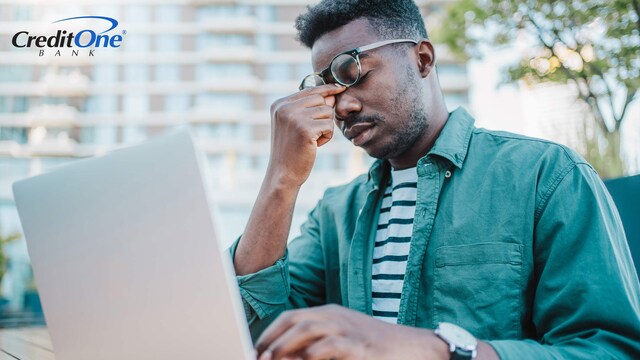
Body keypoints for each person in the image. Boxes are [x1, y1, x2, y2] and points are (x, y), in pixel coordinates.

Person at [229, 1, 640, 359]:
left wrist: (436, 349)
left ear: (423, 59)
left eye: (353, 72)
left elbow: (608, 348)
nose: (343, 106)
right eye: (327, 90)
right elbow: (258, 332)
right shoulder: (335, 214)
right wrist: (281, 179)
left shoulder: (545, 176)